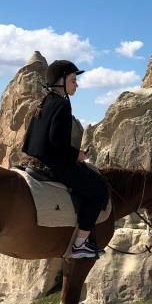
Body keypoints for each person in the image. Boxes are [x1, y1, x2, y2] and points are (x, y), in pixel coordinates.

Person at [22, 60, 109, 260]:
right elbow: (56, 142)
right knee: (98, 190)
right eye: (73, 80)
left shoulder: (44, 102)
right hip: (54, 164)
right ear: (61, 81)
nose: (76, 84)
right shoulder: (61, 104)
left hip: (34, 160)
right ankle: (80, 244)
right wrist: (76, 155)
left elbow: (33, 139)